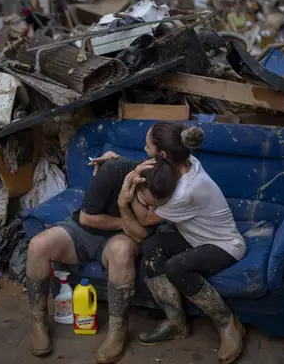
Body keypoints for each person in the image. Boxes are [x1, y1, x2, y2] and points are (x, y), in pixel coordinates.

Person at [90, 122, 247, 364]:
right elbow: (148, 172)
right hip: (193, 237)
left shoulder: (187, 190)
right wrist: (115, 164)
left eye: (147, 145)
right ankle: (176, 322)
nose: (143, 148)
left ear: (161, 154)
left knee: (176, 267)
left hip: (223, 244)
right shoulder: (184, 161)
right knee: (152, 249)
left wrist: (126, 194)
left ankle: (228, 323)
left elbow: (143, 222)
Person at [26, 156, 177, 364]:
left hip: (118, 240)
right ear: (135, 182)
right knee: (38, 246)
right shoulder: (114, 170)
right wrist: (127, 221)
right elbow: (88, 219)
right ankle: (38, 320)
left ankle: (117, 330)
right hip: (81, 230)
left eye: (156, 207)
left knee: (122, 250)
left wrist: (125, 207)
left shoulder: (168, 191)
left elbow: (141, 235)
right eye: (146, 203)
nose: (150, 212)